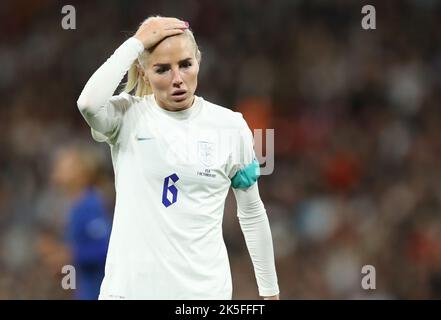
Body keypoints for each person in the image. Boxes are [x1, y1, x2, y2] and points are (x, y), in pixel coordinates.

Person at [76, 16, 279, 300]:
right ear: (143, 71)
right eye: (162, 69)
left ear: (198, 60)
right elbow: (87, 103)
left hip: (204, 295)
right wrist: (135, 44)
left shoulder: (230, 126)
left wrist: (269, 290)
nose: (177, 79)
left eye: (185, 64)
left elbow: (251, 212)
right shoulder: (127, 116)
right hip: (129, 292)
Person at [48, 144, 112, 299]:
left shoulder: (91, 204)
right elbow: (72, 263)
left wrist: (70, 255)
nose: (59, 167)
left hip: (99, 291)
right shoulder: (74, 205)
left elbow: (107, 248)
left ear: (82, 172)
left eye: (65, 164)